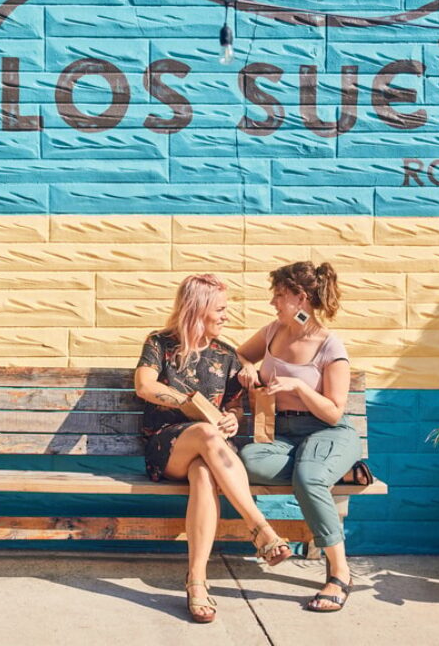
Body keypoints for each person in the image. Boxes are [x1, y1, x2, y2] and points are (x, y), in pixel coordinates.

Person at [134, 273, 292, 625]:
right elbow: (144, 385)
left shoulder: (227, 354)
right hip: (166, 445)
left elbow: (234, 407)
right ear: (199, 308)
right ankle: (260, 528)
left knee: (204, 475)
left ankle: (196, 582)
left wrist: (233, 420)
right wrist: (192, 405)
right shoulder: (160, 343)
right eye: (220, 309)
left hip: (210, 451)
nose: (226, 316)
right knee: (207, 434)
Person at [237, 261, 361, 613]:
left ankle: (340, 572)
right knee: (249, 462)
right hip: (284, 435)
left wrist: (297, 387)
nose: (273, 303)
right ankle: (324, 472)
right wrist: (247, 368)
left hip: (327, 431)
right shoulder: (274, 331)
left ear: (300, 297)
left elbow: (334, 411)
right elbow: (242, 354)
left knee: (308, 477)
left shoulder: (329, 347)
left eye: (279, 295)